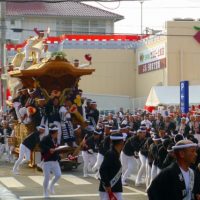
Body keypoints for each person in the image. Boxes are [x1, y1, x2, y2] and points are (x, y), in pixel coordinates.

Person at [99, 132, 126, 200]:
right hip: (108, 189)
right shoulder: (111, 154)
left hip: (114, 188)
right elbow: (102, 170)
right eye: (123, 141)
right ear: (121, 142)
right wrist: (107, 185)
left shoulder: (116, 153)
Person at [40, 124, 62, 198]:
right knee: (47, 177)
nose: (57, 134)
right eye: (57, 132)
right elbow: (41, 145)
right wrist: (49, 149)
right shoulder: (45, 138)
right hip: (47, 161)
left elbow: (55, 148)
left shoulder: (55, 139)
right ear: (53, 132)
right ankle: (45, 192)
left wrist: (59, 154)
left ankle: (51, 185)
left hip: (55, 160)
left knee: (58, 175)